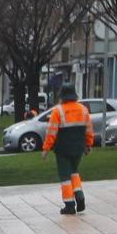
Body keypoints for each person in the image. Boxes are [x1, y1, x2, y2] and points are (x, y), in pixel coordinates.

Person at [41, 84, 94, 215]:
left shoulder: (58, 111)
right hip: (78, 148)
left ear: (62, 96)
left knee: (65, 176)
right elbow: (89, 130)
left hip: (63, 150)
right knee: (74, 172)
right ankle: (79, 196)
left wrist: (46, 149)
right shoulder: (83, 109)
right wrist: (88, 145)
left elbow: (51, 132)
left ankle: (69, 205)